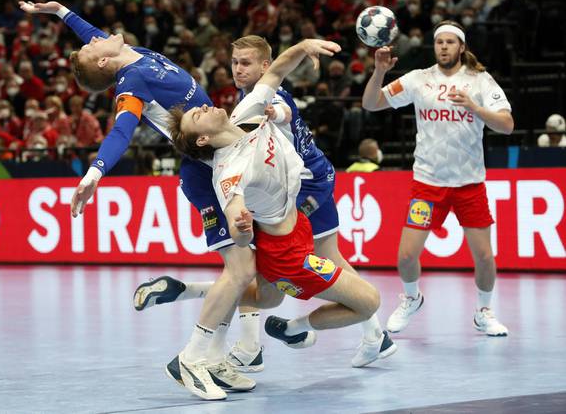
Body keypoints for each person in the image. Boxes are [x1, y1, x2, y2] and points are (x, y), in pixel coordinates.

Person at [18, 0, 260, 400]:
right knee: (240, 272)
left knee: (246, 273)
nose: (97, 37)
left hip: (226, 160)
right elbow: (121, 131)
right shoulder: (130, 83)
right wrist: (95, 172)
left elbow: (89, 34)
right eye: (92, 45)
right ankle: (192, 357)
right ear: (103, 64)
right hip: (206, 174)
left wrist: (59, 12)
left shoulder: (132, 53)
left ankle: (216, 355)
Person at [136, 36, 395, 375]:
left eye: (245, 62)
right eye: (235, 62)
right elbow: (234, 208)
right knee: (255, 279)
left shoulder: (247, 109)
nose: (236, 69)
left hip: (307, 193)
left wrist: (303, 47)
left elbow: (277, 83)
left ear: (262, 64)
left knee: (261, 291)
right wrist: (241, 229)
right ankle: (230, 348)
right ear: (203, 138)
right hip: (289, 236)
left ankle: (197, 301)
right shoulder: (230, 171)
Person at [362, 20, 513, 337]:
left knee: (484, 256)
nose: (444, 46)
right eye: (439, 42)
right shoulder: (418, 79)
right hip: (428, 184)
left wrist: (474, 107)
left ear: (461, 47)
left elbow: (507, 125)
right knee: (405, 256)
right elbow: (370, 103)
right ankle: (412, 298)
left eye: (450, 42)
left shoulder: (480, 81)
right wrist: (379, 72)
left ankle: (484, 311)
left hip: (469, 183)